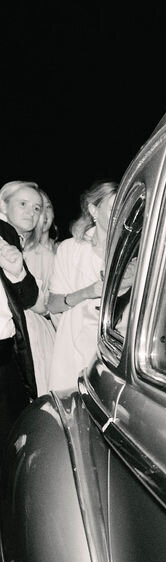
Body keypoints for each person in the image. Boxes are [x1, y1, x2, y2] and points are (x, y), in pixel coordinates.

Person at [48, 180, 117, 392]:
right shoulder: (70, 249)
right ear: (93, 209)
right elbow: (53, 304)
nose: (120, 213)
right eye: (113, 207)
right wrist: (88, 292)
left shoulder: (132, 250)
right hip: (74, 349)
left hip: (115, 350)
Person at [0, 180, 41, 437]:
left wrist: (17, 271)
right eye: (23, 204)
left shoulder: (10, 238)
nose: (31, 212)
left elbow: (28, 297)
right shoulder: (4, 232)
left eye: (37, 208)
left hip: (6, 349)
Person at [22, 188, 59, 393]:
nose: (43, 213)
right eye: (38, 208)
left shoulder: (62, 250)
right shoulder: (20, 251)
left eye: (48, 207)